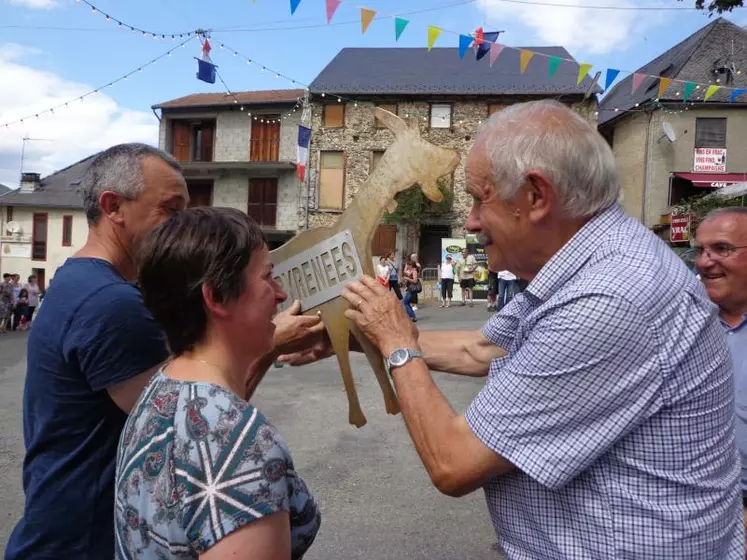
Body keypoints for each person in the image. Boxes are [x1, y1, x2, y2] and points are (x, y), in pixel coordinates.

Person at [281, 100, 744, 558]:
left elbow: (454, 462)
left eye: (481, 198)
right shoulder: (591, 262)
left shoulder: (611, 296)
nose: (471, 222)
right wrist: (363, 339)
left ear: (536, 196)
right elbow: (481, 349)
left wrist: (398, 344)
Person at [6, 144, 322, 559]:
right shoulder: (111, 304)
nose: (182, 226)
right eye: (171, 210)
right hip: (79, 543)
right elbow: (196, 423)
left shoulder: (79, 283)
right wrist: (267, 341)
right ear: (113, 206)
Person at [116, 207, 320, 559]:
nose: (281, 294)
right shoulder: (239, 444)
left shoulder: (159, 391)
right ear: (215, 297)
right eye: (268, 277)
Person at [694, 207, 747, 547]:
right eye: (700, 250)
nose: (704, 261)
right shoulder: (682, 318)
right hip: (687, 509)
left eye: (722, 249)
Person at [402, 256, 419, 322]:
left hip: (412, 289)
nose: (407, 266)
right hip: (410, 288)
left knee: (405, 302)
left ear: (411, 265)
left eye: (408, 265)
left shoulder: (414, 271)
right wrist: (407, 263)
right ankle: (412, 316)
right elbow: (405, 271)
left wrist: (407, 279)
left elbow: (415, 281)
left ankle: (412, 316)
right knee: (407, 302)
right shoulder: (410, 271)